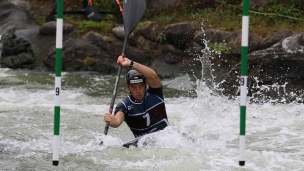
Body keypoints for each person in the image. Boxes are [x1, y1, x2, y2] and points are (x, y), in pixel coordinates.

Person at [104, 56, 169, 138]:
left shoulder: (155, 92)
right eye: (134, 87)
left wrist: (131, 63)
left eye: (140, 86)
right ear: (128, 87)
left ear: (146, 84)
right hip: (144, 144)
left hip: (166, 137)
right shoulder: (125, 105)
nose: (138, 91)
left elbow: (153, 76)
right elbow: (117, 121)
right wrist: (111, 120)